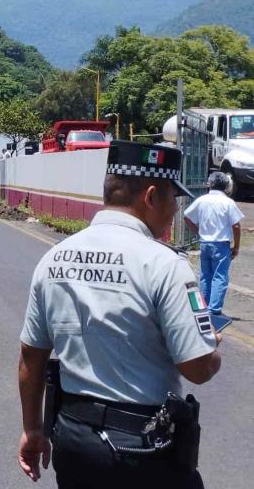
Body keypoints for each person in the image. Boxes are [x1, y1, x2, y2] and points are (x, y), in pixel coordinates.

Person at [17, 141, 222, 489]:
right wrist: (211, 347)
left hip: (73, 439)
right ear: (152, 196)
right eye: (174, 198)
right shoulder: (164, 264)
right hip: (143, 449)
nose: (175, 209)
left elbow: (30, 357)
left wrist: (33, 429)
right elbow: (198, 368)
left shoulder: (54, 258)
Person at [184, 171, 244, 316]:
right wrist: (236, 246)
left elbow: (187, 217)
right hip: (221, 244)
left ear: (209, 184)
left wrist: (197, 230)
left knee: (205, 275)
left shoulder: (202, 200)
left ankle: (202, 306)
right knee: (220, 276)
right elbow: (236, 225)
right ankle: (214, 308)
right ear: (226, 186)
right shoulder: (228, 202)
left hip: (205, 243)